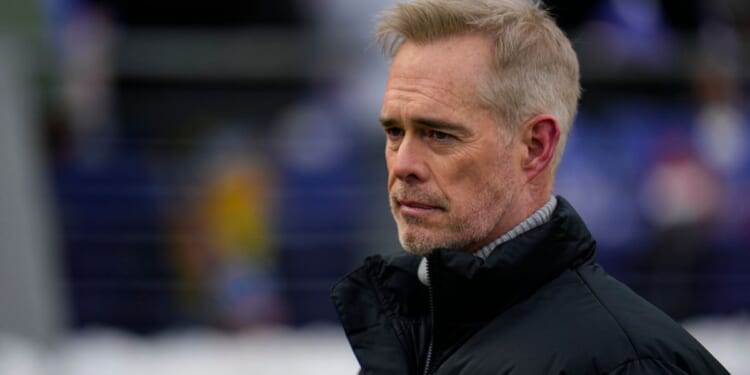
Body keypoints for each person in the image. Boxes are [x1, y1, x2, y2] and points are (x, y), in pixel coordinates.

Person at [330, 0, 730, 374]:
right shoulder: (412, 330)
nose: (402, 164)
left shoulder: (629, 362)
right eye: (394, 131)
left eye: (438, 134)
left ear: (536, 146)